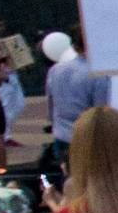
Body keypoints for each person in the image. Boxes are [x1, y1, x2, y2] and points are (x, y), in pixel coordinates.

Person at [44, 27, 111, 180]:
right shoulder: (97, 74)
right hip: (87, 137)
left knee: (68, 180)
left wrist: (53, 122)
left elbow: (50, 101)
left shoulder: (55, 70)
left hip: (61, 134)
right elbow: (101, 110)